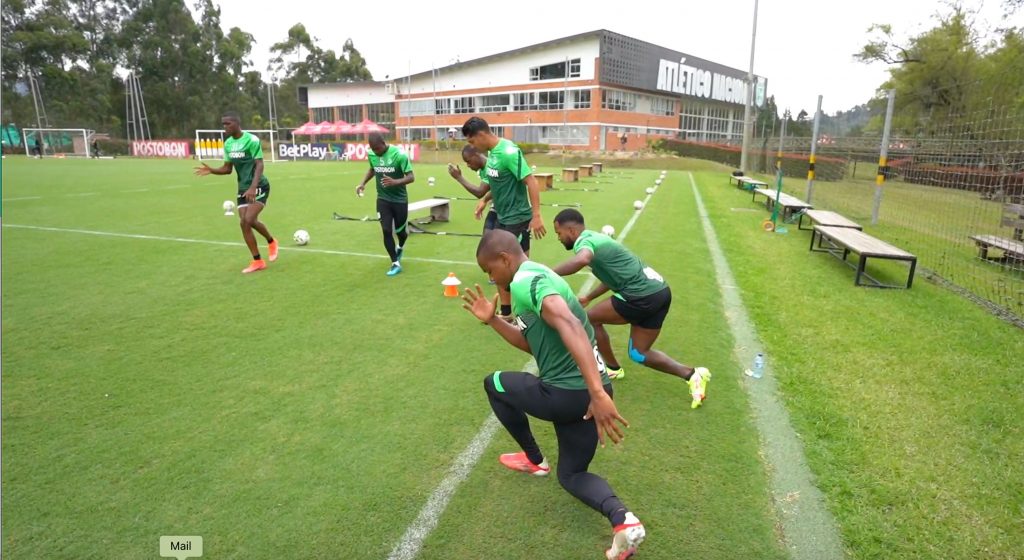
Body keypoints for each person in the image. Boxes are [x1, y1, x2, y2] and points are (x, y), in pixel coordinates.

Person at [462, 230, 646, 560]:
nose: (491, 280)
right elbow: (533, 343)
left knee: (495, 384)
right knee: (572, 475)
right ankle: (624, 522)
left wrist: (595, 393)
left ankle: (534, 460)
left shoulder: (524, 281)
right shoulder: (540, 273)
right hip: (591, 392)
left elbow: (571, 324)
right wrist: (493, 321)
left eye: (490, 271)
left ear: (505, 259)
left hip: (572, 394)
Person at [550, 209, 711, 409]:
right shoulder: (598, 238)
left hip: (640, 295)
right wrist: (589, 297)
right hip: (660, 292)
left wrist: (547, 273)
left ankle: (612, 368)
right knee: (638, 353)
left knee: (589, 319)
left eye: (559, 233)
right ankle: (693, 374)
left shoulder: (584, 242)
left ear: (571, 230)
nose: (558, 238)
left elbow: (581, 260)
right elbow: (614, 277)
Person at [461, 116, 546, 320]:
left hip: (517, 218)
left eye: (472, 142)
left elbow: (531, 181)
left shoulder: (508, 152)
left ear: (481, 135)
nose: (472, 146)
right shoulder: (491, 155)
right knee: (498, 265)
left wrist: (536, 215)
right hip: (501, 216)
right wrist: (485, 200)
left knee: (519, 268)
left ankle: (532, 311)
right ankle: (506, 314)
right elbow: (499, 183)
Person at [194, 112, 278, 274]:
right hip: (242, 187)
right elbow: (227, 169)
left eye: (228, 124)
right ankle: (259, 259)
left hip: (258, 185)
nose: (225, 127)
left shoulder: (251, 140)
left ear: (237, 124)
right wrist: (211, 170)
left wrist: (253, 187)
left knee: (248, 219)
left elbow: (259, 164)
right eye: (223, 124)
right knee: (245, 223)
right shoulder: (228, 144)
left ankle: (270, 243)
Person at [356, 133, 415, 276]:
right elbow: (372, 169)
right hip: (383, 199)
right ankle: (395, 263)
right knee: (387, 230)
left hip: (400, 200)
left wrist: (395, 182)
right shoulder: (372, 155)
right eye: (373, 149)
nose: (376, 152)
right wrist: (363, 183)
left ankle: (400, 246)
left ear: (384, 143)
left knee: (401, 232)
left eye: (377, 148)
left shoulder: (399, 155)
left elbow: (411, 177)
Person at [447, 144, 497, 232]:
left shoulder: (491, 165)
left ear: (477, 155)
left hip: (513, 209)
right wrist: (485, 200)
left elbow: (479, 192)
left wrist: (459, 177)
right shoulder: (482, 170)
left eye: (468, 161)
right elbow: (496, 188)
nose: (468, 165)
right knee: (487, 237)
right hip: (498, 206)